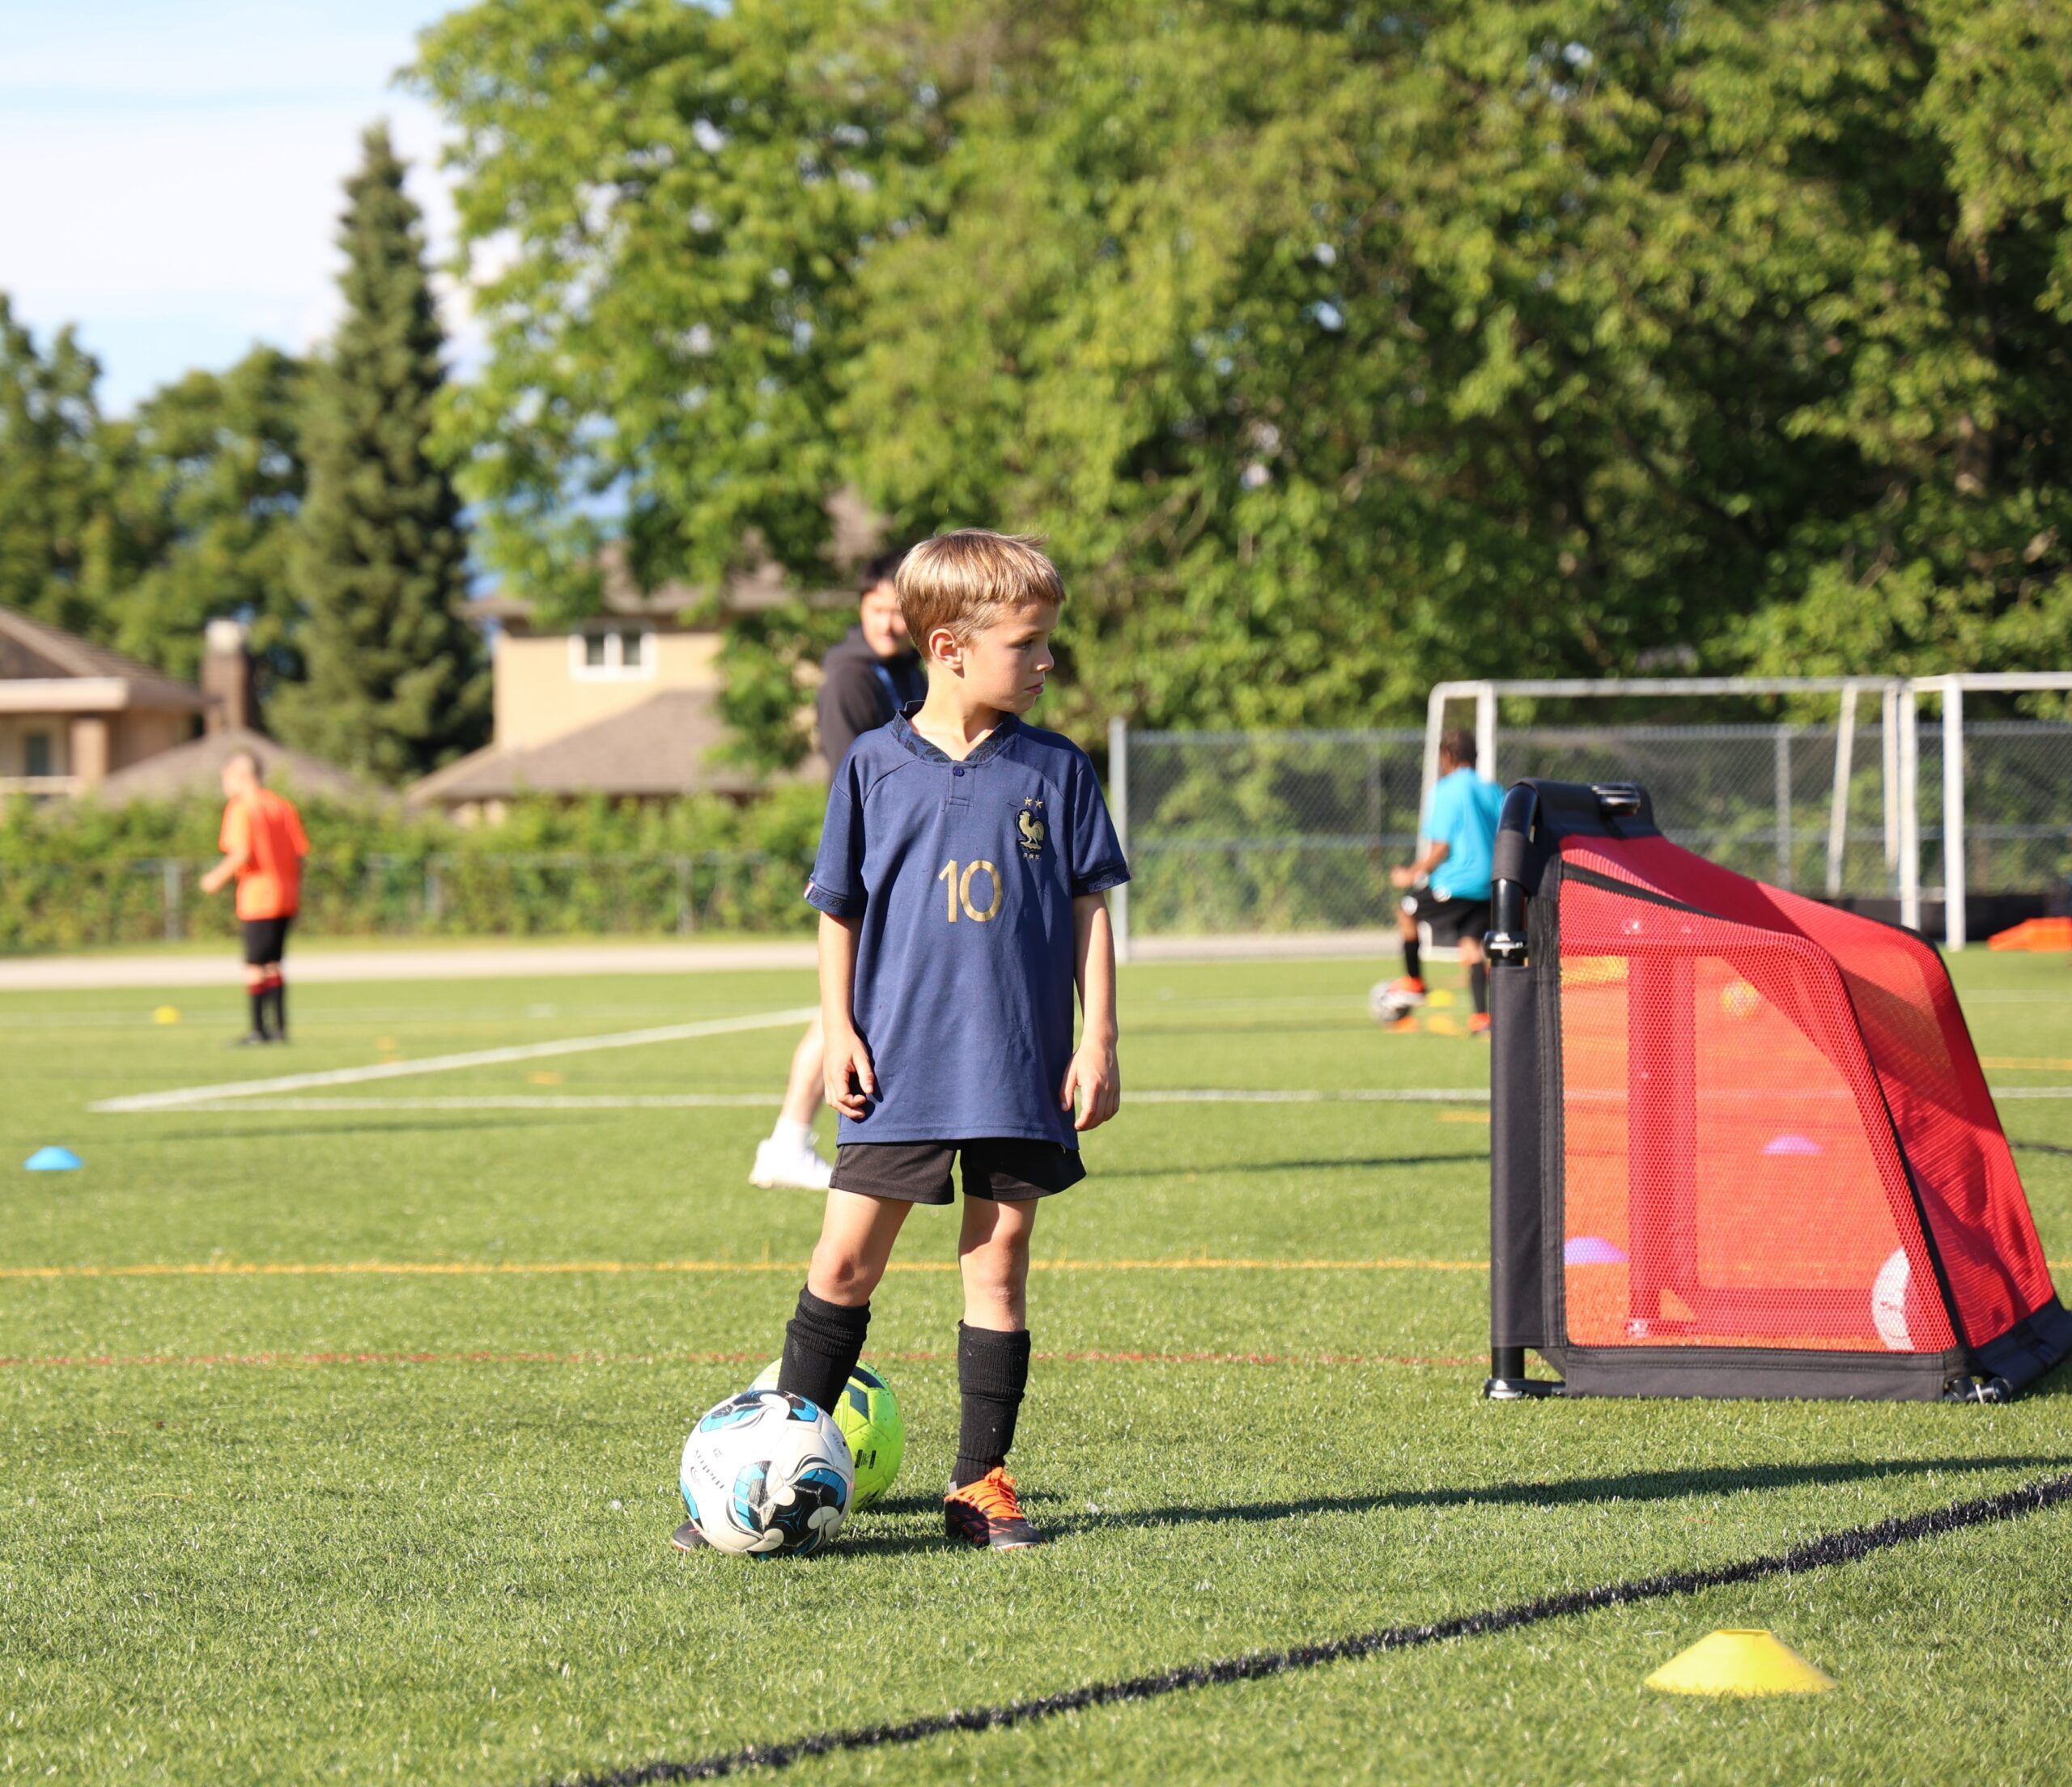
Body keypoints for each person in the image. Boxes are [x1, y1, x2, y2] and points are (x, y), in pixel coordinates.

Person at [681, 529, 1127, 1554]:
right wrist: (837, 1026)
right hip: (899, 1060)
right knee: (843, 1262)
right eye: (1030, 643)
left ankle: (979, 1482)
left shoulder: (1055, 768)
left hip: (1018, 1061)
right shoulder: (874, 766)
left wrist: (1096, 1038)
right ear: (950, 645)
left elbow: (1090, 907)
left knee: (1000, 1259)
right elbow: (836, 909)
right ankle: (774, 1460)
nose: (1048, 661)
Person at [750, 549, 928, 1192]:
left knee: (852, 1001)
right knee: (848, 1002)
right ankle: (790, 1140)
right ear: (860, 608)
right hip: (872, 856)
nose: (887, 623)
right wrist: (857, 860)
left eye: (897, 611)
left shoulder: (904, 668)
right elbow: (856, 777)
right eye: (877, 610)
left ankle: (789, 1141)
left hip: (900, 851)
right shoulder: (850, 680)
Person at [1379, 728, 1502, 1035]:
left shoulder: (1447, 790)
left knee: (1406, 911)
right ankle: (1481, 1018)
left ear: (1446, 756)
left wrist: (1411, 873)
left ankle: (1414, 983)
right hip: (1489, 884)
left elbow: (1442, 847)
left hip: (1457, 883)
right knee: (1472, 946)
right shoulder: (1494, 791)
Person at [198, 749, 309, 1046]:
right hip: (286, 894)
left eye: (226, 777)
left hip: (258, 895)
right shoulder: (282, 806)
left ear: (241, 775)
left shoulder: (242, 808)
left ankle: (259, 1030)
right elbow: (300, 855)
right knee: (274, 963)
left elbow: (242, 852)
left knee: (254, 966)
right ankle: (280, 1028)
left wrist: (214, 878)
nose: (225, 784)